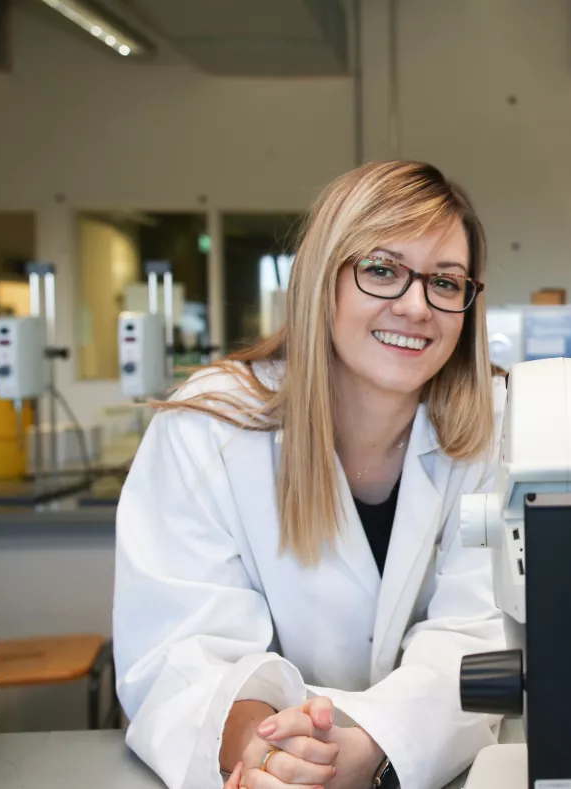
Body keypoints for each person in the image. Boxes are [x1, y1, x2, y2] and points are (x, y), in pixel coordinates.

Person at [113, 161, 507, 789]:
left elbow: (481, 639)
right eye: (382, 270)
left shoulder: (496, 427)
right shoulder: (210, 426)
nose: (415, 307)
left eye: (446, 282)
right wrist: (267, 752)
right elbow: (181, 652)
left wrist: (374, 746)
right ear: (324, 279)